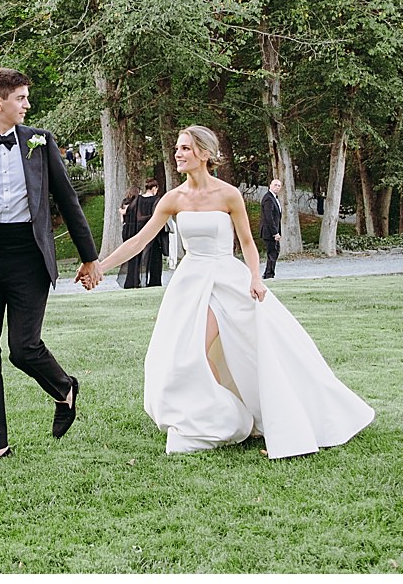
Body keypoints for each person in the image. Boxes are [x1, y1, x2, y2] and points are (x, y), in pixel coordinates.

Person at [86, 125, 374, 458]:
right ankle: (222, 415)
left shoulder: (228, 194)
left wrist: (256, 277)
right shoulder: (173, 198)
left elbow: (248, 243)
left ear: (204, 154)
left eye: (185, 149)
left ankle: (257, 416)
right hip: (191, 283)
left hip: (228, 280)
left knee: (253, 351)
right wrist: (100, 267)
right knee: (185, 353)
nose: (178, 154)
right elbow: (139, 241)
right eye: (177, 149)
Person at [0, 67, 101, 463]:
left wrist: (89, 257)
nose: (27, 105)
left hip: (29, 256)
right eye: (21, 98)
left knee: (23, 348)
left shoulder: (41, 143)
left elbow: (68, 201)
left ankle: (64, 388)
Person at [136, 178, 166, 286]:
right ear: (154, 188)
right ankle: (154, 281)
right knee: (155, 258)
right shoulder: (156, 200)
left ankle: (137, 280)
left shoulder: (138, 200)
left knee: (140, 257)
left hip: (140, 230)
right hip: (154, 232)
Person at [117, 186, 144, 288]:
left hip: (126, 229)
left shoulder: (124, 202)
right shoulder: (137, 204)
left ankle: (130, 279)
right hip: (134, 229)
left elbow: (122, 219)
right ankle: (135, 280)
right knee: (137, 255)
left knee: (129, 255)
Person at [259, 178, 282, 280]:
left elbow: (277, 217)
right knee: (272, 252)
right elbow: (269, 217)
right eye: (275, 185)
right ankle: (269, 274)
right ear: (270, 185)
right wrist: (275, 233)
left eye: (279, 186)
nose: (277, 187)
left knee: (274, 252)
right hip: (269, 232)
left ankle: (269, 273)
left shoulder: (274, 198)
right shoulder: (268, 198)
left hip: (273, 231)